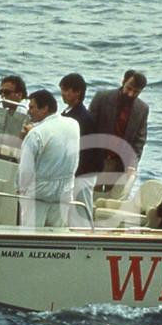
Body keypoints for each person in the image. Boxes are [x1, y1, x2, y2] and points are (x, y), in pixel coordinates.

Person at [16, 89, 80, 228]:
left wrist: (20, 189)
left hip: (38, 196)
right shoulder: (73, 125)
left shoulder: (35, 135)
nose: (28, 111)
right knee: (57, 237)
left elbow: (25, 171)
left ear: (44, 109)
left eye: (32, 107)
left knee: (31, 237)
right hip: (63, 193)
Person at [87, 70, 149, 194]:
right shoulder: (102, 97)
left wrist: (132, 166)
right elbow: (88, 128)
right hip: (97, 159)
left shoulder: (142, 108)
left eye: (136, 92)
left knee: (112, 204)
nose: (131, 94)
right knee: (89, 197)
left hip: (119, 164)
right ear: (123, 82)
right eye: (129, 89)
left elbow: (139, 141)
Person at [59, 72, 101, 225]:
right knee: (73, 209)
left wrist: (74, 170)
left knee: (81, 209)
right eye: (62, 89)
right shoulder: (69, 113)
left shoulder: (82, 117)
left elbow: (85, 149)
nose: (62, 94)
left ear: (77, 92)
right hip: (77, 170)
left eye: (66, 90)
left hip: (83, 171)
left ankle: (85, 237)